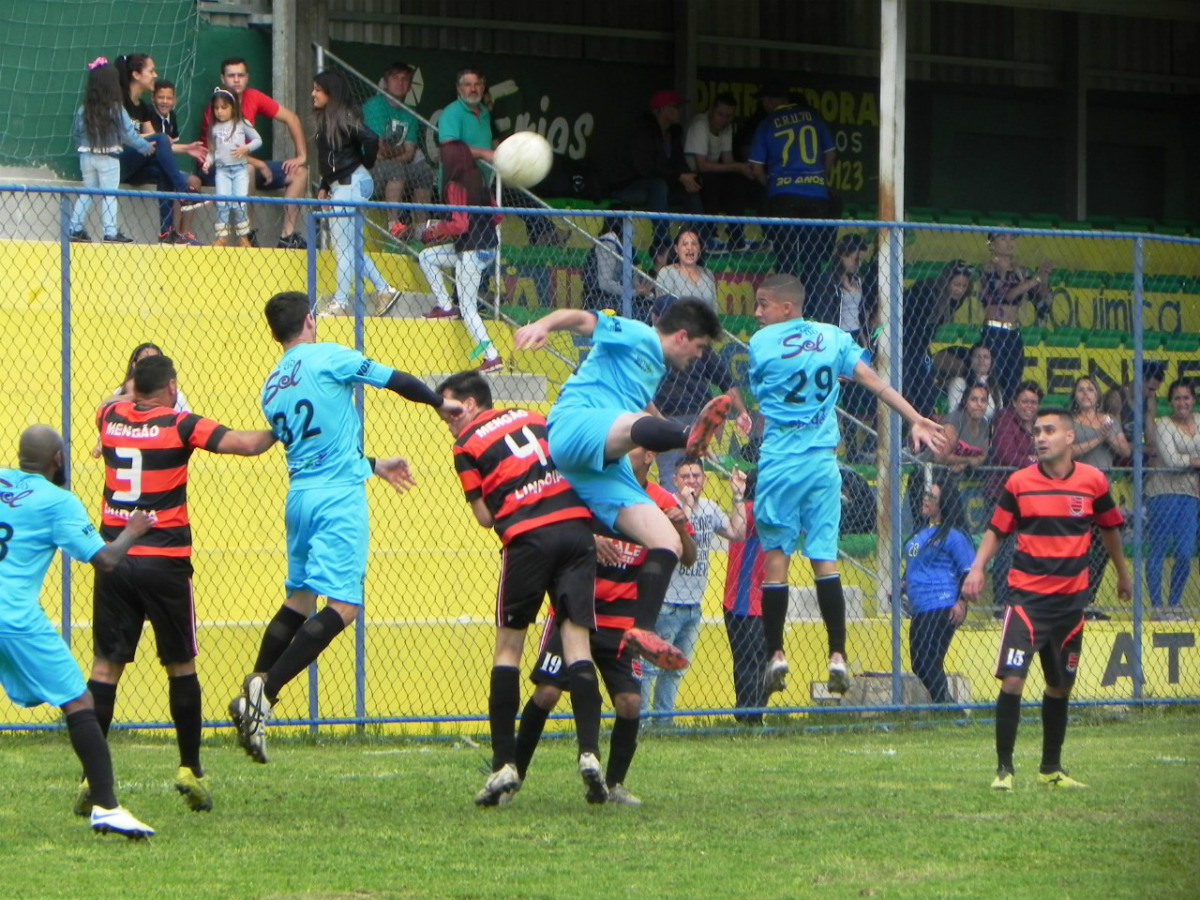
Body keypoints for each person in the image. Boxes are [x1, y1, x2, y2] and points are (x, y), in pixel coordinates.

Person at [230, 291, 463, 764]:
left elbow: (317, 444)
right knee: (344, 606)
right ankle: (264, 693)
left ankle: (251, 698)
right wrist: (439, 402)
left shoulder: (271, 385)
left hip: (300, 498)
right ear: (309, 320)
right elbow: (393, 380)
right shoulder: (329, 356)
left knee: (299, 599)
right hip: (337, 499)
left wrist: (373, 464)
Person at [85, 354, 278, 815]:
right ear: (172, 386)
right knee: (180, 667)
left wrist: (128, 388)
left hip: (114, 559)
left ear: (133, 386)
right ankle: (190, 768)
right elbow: (246, 444)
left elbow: (112, 400)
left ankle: (91, 778)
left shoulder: (108, 416)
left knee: (105, 670)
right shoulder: (181, 424)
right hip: (165, 562)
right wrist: (283, 426)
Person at [747, 274, 945, 698]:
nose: (757, 312)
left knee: (776, 560)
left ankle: (776, 653)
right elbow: (874, 382)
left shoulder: (761, 343)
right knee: (824, 560)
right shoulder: (833, 337)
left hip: (780, 463)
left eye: (763, 304)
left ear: (786, 308)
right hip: (822, 465)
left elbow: (762, 392)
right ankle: (837, 655)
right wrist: (914, 418)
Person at [512, 299, 729, 670]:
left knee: (668, 541)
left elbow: (645, 410)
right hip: (574, 427)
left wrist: (672, 430)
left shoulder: (653, 369)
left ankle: (643, 630)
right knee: (629, 422)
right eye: (699, 347)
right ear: (681, 336)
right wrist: (543, 324)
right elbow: (582, 319)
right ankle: (688, 434)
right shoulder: (640, 334)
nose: (699, 356)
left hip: (602, 462)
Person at [433, 370, 608, 806]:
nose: (448, 422)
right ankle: (589, 752)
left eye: (450, 411)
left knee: (508, 648)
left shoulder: (465, 444)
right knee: (577, 647)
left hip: (528, 538)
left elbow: (484, 518)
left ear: (470, 404)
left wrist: (512, 500)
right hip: (575, 531)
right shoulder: (534, 416)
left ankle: (504, 764)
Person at [513, 447, 695, 806]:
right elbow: (555, 529)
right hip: (575, 610)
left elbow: (687, 556)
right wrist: (588, 540)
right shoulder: (592, 487)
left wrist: (677, 527)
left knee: (630, 702)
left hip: (623, 620)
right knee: (547, 693)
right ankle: (511, 773)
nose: (626, 449)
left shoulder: (659, 500)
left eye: (635, 445)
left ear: (649, 457)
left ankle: (613, 785)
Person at [963, 407, 1131, 790]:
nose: (1040, 437)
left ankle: (1050, 769)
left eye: (1049, 430)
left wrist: (1123, 573)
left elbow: (1109, 529)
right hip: (1026, 601)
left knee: (1060, 686)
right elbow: (996, 529)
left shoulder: (1093, 481)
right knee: (1012, 681)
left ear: (1070, 437)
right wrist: (977, 568)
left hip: (1070, 605)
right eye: (1037, 431)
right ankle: (1004, 770)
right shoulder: (1020, 482)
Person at [0, 426, 155, 839]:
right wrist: (133, 530)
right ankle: (106, 807)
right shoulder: (58, 502)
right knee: (79, 701)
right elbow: (105, 560)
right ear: (57, 459)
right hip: (13, 617)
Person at [642, 460, 746, 725]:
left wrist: (737, 496)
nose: (692, 481)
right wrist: (686, 507)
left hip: (693, 605)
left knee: (675, 670)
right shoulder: (667, 505)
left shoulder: (710, 508)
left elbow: (737, 533)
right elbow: (676, 541)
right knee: (650, 668)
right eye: (686, 476)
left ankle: (663, 723)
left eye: (697, 476)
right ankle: (640, 722)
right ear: (675, 480)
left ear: (704, 480)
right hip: (667, 602)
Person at [186, 56, 310, 248]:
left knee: (300, 173)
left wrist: (301, 156)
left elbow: (291, 118)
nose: (236, 80)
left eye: (241, 75)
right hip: (217, 168)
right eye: (231, 76)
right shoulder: (218, 109)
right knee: (248, 169)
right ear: (222, 79)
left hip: (244, 162)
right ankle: (246, 235)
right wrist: (260, 164)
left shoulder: (253, 96)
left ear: (247, 77)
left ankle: (287, 237)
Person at [311, 70, 399, 318]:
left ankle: (340, 303)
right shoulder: (328, 118)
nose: (313, 94)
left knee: (343, 249)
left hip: (351, 184)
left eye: (318, 90)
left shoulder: (343, 116)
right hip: (342, 185)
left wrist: (366, 162)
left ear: (331, 93)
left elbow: (371, 138)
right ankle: (385, 289)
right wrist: (325, 185)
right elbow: (332, 158)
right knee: (351, 249)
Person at [417, 140, 504, 372]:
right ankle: (445, 306)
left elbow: (460, 224)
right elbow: (498, 216)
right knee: (427, 257)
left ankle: (491, 356)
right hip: (487, 248)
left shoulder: (454, 185)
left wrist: (436, 230)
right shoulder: (479, 178)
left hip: (470, 250)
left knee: (468, 309)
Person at [650, 295, 749, 487]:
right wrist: (742, 411)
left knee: (672, 472)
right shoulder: (693, 344)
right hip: (696, 412)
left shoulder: (652, 343)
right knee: (692, 470)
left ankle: (677, 503)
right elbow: (726, 381)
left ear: (655, 318)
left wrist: (743, 411)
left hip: (671, 413)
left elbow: (725, 380)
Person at [747, 86, 837, 290]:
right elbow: (831, 154)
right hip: (816, 195)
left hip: (784, 195)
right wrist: (818, 178)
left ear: (770, 102)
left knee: (786, 256)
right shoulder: (814, 117)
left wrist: (772, 185)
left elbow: (756, 167)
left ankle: (785, 304)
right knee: (812, 258)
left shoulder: (768, 123)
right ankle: (811, 305)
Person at [112, 54, 205, 244]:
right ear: (136, 75)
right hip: (117, 164)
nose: (155, 75)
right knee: (160, 138)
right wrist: (154, 139)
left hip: (136, 168)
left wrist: (186, 148)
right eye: (151, 71)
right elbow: (121, 137)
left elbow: (158, 144)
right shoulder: (119, 101)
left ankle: (167, 232)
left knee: (163, 168)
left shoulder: (142, 107)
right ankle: (184, 191)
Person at [606, 89, 701, 264]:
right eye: (676, 107)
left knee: (691, 189)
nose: (680, 111)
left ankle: (698, 241)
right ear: (663, 109)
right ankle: (662, 243)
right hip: (629, 187)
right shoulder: (642, 130)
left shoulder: (674, 132)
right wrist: (679, 176)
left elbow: (678, 162)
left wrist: (688, 178)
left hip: (660, 189)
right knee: (659, 185)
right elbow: (646, 169)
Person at [67, 59, 155, 244]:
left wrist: (83, 149)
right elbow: (128, 134)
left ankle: (75, 228)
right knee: (110, 194)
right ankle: (110, 232)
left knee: (87, 191)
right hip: (109, 157)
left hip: (87, 156)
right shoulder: (116, 109)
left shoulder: (85, 109)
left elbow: (77, 132)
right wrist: (145, 147)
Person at [902, 477, 973, 704]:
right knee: (918, 662)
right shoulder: (921, 532)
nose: (925, 499)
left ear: (944, 503)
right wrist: (902, 584)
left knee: (928, 658)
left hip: (942, 602)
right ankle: (945, 705)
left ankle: (946, 707)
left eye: (932, 497)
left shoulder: (954, 536)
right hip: (920, 605)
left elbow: (968, 571)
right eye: (926, 495)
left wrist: (961, 602)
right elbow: (915, 564)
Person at [1069, 375, 1131, 620]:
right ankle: (1075, 600)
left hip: (1102, 491)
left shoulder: (1109, 421)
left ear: (1097, 396)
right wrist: (1099, 438)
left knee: (1103, 547)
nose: (1085, 393)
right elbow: (1068, 451)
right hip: (1077, 491)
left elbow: (1125, 450)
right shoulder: (1070, 422)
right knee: (1079, 548)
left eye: (1090, 389)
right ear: (1075, 395)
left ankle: (1089, 599)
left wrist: (1109, 435)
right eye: (1081, 389)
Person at [985, 380, 1043, 612]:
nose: (1029, 406)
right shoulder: (1005, 419)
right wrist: (1034, 463)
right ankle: (1002, 603)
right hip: (1004, 495)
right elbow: (1006, 454)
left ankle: (1025, 600)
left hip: (1031, 499)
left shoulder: (1039, 425)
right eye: (1025, 401)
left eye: (1034, 402)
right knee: (1006, 551)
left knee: (1030, 551)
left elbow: (1051, 454)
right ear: (1015, 402)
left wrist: (1031, 462)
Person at [1146, 378, 1200, 620]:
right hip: (1162, 492)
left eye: (1186, 397)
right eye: (1177, 398)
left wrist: (1187, 460)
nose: (1182, 402)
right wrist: (1195, 461)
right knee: (1158, 549)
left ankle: (1174, 604)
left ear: (1193, 400)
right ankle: (1157, 608)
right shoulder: (1164, 425)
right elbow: (1171, 460)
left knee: (1185, 552)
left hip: (1189, 493)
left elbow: (1180, 459)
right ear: (1170, 402)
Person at [977, 232, 1051, 405]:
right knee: (993, 378)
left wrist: (1043, 279)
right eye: (1003, 238)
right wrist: (1035, 280)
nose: (1009, 242)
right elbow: (1005, 295)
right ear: (992, 244)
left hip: (1013, 331)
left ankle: (1008, 414)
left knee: (1013, 380)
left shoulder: (1021, 272)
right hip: (993, 331)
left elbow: (1039, 297)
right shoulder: (988, 269)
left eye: (1011, 239)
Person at [361, 62, 434, 236]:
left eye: (405, 79)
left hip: (394, 165)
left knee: (424, 172)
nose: (400, 82)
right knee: (397, 169)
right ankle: (393, 225)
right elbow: (378, 150)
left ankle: (422, 230)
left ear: (409, 86)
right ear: (385, 83)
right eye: (395, 78)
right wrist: (399, 150)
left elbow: (410, 153)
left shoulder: (409, 113)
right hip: (369, 167)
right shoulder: (375, 105)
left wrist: (392, 153)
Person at [722, 468, 768, 724]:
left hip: (755, 598)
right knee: (751, 659)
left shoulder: (763, 509)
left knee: (751, 659)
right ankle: (750, 714)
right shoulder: (752, 510)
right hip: (745, 600)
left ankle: (750, 713)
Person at [683, 93, 755, 252]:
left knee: (737, 180)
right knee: (712, 180)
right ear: (711, 110)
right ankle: (709, 237)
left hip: (711, 173)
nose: (723, 120)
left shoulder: (726, 128)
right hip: (689, 176)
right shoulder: (700, 125)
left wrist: (741, 169)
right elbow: (701, 165)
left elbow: (728, 161)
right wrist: (738, 166)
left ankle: (737, 237)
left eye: (728, 116)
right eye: (720, 114)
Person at [902, 260, 973, 418]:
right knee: (908, 386)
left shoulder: (956, 300)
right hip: (904, 341)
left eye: (963, 286)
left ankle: (924, 420)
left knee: (927, 388)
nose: (959, 290)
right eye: (956, 284)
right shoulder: (925, 292)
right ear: (946, 282)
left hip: (921, 345)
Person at [146, 79, 207, 241]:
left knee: (195, 181)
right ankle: (172, 232)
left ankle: (184, 233)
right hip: (151, 167)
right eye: (160, 97)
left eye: (168, 98)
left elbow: (170, 147)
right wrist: (185, 148)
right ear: (153, 98)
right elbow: (157, 146)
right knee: (174, 180)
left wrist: (187, 149)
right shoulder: (148, 114)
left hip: (167, 165)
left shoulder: (171, 116)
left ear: (175, 100)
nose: (164, 101)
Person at [201, 87, 262, 247]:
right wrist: (208, 162)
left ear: (233, 107)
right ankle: (222, 236)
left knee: (240, 203)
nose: (219, 112)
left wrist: (245, 148)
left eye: (224, 107)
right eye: (216, 108)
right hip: (222, 171)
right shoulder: (214, 128)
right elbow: (212, 151)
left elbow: (258, 140)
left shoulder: (241, 124)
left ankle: (243, 237)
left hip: (240, 170)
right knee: (222, 202)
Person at [937, 380, 992, 476]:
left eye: (983, 400)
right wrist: (968, 460)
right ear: (965, 401)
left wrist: (966, 463)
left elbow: (983, 455)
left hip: (959, 476)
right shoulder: (954, 421)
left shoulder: (984, 424)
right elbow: (940, 457)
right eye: (974, 399)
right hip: (931, 472)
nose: (979, 404)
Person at [653, 229, 717, 309]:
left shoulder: (707, 274)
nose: (690, 248)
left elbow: (714, 308)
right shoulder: (667, 273)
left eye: (694, 244)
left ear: (699, 248)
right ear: (676, 248)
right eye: (685, 244)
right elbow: (664, 308)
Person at [945, 344, 1001, 423]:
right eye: (977, 356)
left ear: (991, 362)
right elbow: (953, 412)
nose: (981, 360)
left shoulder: (994, 386)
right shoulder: (959, 383)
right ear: (970, 360)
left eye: (986, 357)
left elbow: (1000, 412)